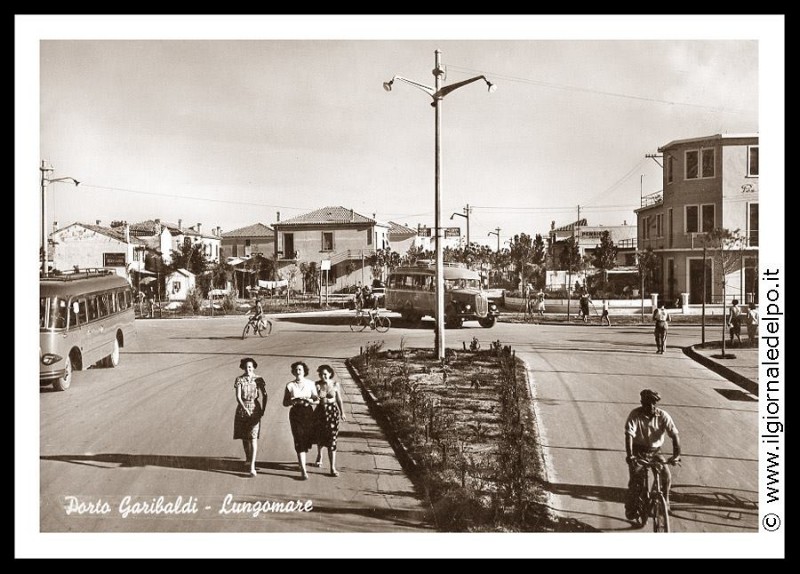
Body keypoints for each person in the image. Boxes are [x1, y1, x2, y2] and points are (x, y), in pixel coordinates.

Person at [624, 389, 681, 519]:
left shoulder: (663, 415)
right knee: (636, 481)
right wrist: (630, 455)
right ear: (642, 403)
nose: (650, 406)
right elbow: (629, 435)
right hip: (638, 452)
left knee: (666, 476)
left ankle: (665, 503)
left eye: (653, 403)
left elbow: (675, 435)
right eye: (647, 403)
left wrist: (676, 455)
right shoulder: (635, 414)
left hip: (655, 451)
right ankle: (631, 507)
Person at [283, 361, 319, 480]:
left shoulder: (311, 384)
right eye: (296, 370)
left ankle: (301, 462)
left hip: (308, 412)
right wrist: (293, 401)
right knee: (298, 438)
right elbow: (285, 402)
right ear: (293, 372)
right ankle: (303, 470)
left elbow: (317, 400)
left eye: (300, 370)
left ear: (304, 371)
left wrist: (310, 401)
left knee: (306, 439)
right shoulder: (290, 385)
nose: (298, 372)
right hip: (295, 414)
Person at [233, 357, 268, 477]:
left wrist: (263, 409)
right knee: (245, 436)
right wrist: (244, 408)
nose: (248, 369)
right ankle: (248, 457)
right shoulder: (239, 379)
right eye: (246, 367)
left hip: (255, 408)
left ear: (253, 367)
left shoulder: (259, 379)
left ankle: (252, 466)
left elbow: (265, 395)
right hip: (242, 409)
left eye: (250, 367)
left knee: (253, 437)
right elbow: (238, 396)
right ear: (243, 367)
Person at [311, 365, 347, 477]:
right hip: (320, 413)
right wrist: (316, 395)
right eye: (321, 374)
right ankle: (319, 455)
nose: (323, 376)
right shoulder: (317, 384)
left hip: (332, 414)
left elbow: (339, 399)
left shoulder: (335, 384)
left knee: (332, 440)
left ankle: (332, 468)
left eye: (325, 374)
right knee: (320, 436)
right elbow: (313, 398)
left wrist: (342, 412)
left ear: (330, 374)